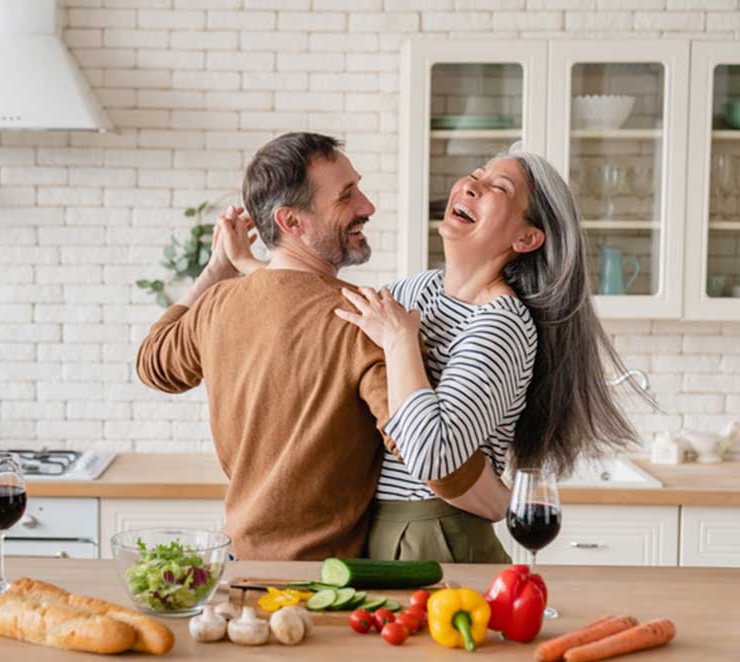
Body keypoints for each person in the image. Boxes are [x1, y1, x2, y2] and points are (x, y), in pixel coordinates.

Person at [226, 148, 645, 562]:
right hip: (377, 529)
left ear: (526, 237)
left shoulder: (501, 324)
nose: (470, 186)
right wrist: (252, 265)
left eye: (497, 187)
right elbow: (333, 312)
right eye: (475, 175)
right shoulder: (418, 291)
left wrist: (401, 344)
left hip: (438, 534)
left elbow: (434, 455)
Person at [135, 132, 492, 561]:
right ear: (292, 222)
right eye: (346, 196)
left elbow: (153, 364)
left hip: (234, 567)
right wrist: (507, 502)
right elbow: (433, 459)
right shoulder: (361, 320)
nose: (367, 206)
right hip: (319, 585)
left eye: (358, 186)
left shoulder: (217, 305)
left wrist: (217, 270)